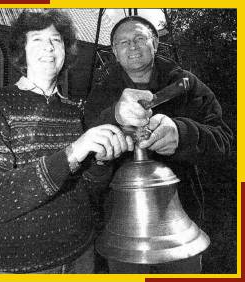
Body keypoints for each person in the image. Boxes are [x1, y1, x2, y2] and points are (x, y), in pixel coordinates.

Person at [0, 10, 134, 274]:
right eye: (37, 40)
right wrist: (72, 152)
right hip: (15, 267)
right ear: (22, 50)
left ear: (66, 50)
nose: (49, 48)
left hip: (79, 256)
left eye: (56, 40)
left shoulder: (73, 110)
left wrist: (101, 162)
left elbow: (88, 189)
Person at [85, 15, 233, 274]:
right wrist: (113, 118)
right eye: (123, 42)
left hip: (181, 225)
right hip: (123, 230)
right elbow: (88, 156)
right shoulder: (102, 93)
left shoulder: (186, 85)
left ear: (155, 44)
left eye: (140, 38)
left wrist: (183, 134)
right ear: (115, 54)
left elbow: (224, 142)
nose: (132, 46)